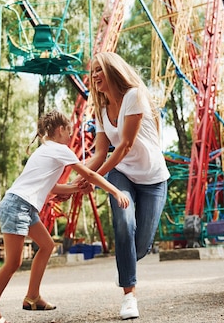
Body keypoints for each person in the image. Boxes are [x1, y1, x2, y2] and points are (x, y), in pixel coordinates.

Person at [0, 110, 130, 323]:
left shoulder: (45, 150)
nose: (70, 136)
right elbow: (90, 174)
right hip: (18, 206)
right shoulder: (60, 149)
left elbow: (53, 188)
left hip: (24, 206)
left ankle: (32, 297)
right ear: (61, 130)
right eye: (69, 131)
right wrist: (115, 191)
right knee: (13, 263)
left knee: (47, 246)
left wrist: (77, 190)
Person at [79, 52, 170, 320]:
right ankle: (129, 297)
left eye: (98, 70)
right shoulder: (101, 109)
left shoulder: (135, 95)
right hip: (121, 174)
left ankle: (126, 264)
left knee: (139, 246)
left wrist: (92, 179)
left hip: (153, 179)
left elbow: (125, 145)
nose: (94, 75)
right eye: (92, 71)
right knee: (124, 224)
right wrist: (76, 177)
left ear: (112, 70)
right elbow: (99, 154)